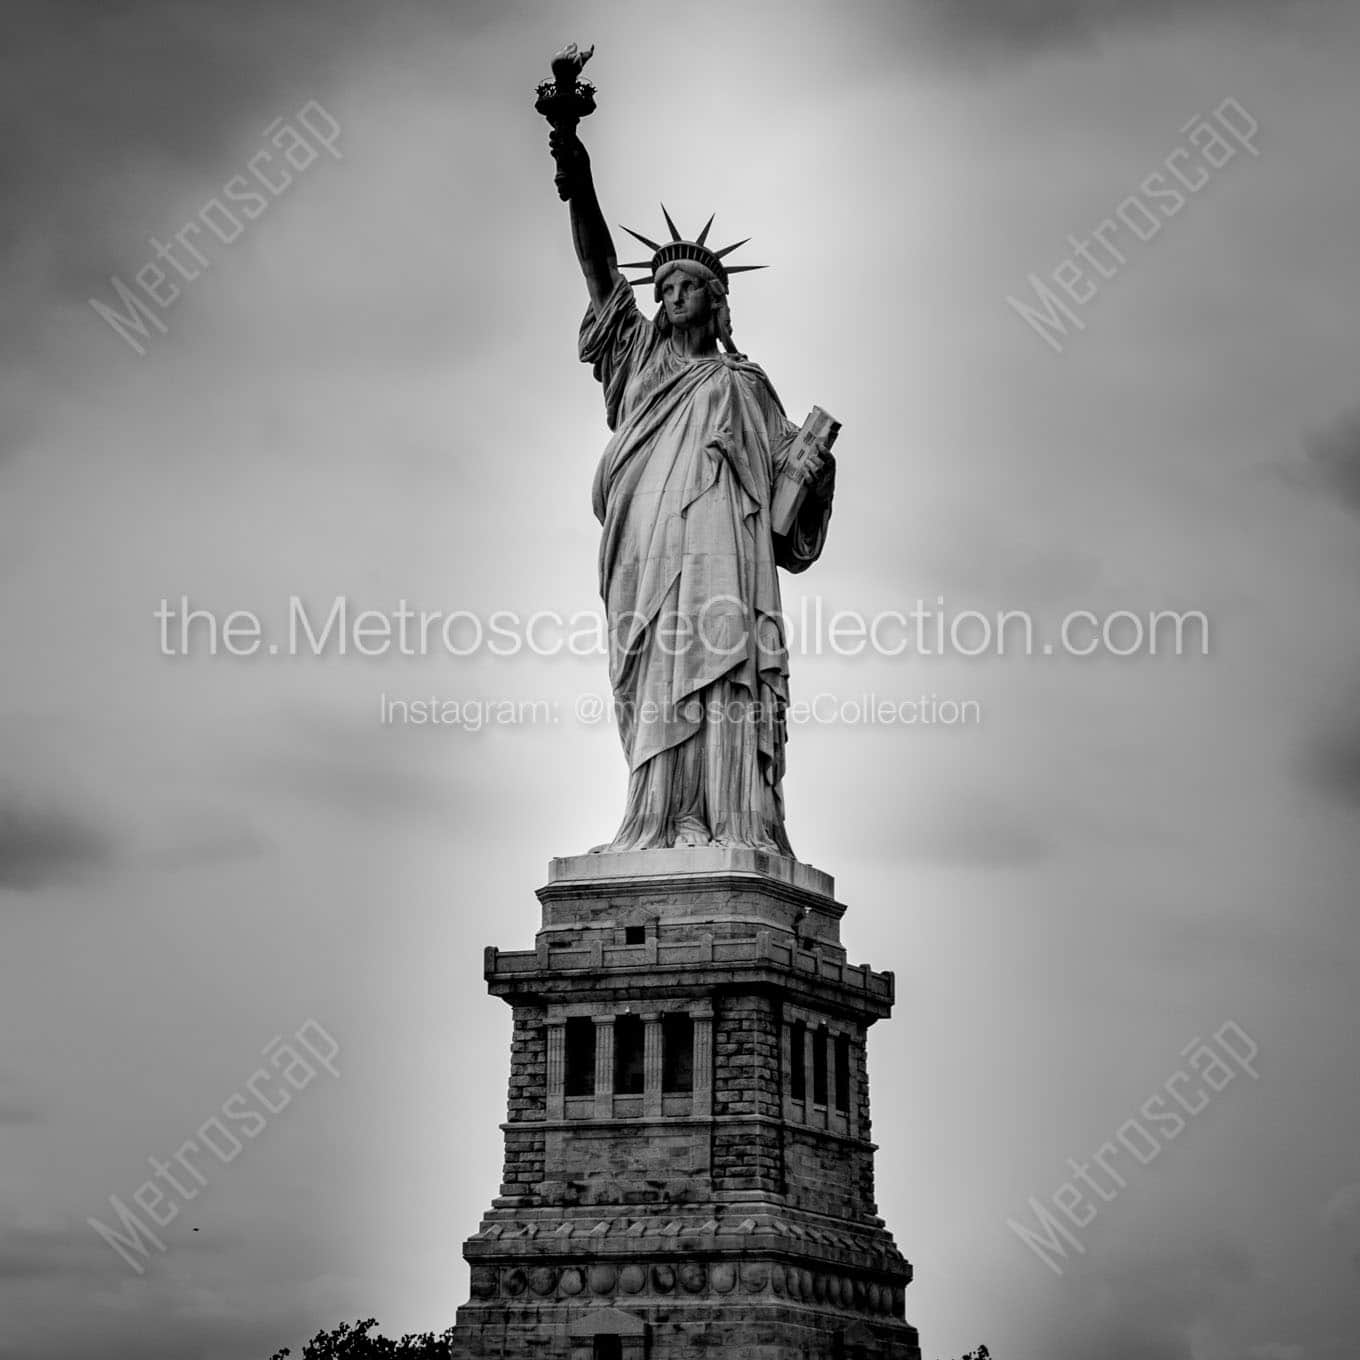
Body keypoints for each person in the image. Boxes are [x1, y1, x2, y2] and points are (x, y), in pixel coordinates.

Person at [549, 125, 837, 855]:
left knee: (720, 672)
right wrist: (571, 157)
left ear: (714, 303)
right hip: (644, 551)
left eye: (687, 288)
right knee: (654, 675)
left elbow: (782, 517)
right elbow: (597, 265)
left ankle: (726, 817)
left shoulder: (743, 384)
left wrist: (813, 464)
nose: (671, 296)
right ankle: (657, 814)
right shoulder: (638, 355)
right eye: (664, 288)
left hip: (722, 556)